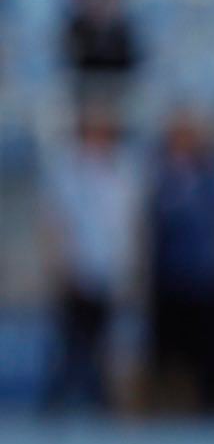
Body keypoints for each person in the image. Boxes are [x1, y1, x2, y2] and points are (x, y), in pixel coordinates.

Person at [39, 105, 140, 412]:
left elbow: (130, 223)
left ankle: (102, 400)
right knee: (71, 341)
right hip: (77, 267)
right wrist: (61, 264)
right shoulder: (67, 170)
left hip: (111, 268)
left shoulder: (122, 170)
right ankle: (57, 400)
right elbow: (55, 221)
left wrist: (131, 267)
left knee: (108, 342)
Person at [146, 107, 214, 411]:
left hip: (205, 273)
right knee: (168, 345)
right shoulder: (159, 175)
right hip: (170, 273)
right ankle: (167, 399)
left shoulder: (213, 176)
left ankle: (205, 400)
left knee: (206, 344)